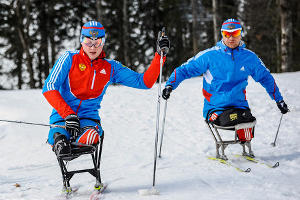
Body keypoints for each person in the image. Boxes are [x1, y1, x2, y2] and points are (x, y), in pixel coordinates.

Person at [42, 20, 170, 156]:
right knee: (58, 134)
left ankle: (80, 141)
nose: (92, 47)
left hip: (88, 119)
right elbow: (49, 87)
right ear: (81, 41)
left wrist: (159, 56)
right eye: (88, 42)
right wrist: (68, 114)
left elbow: (144, 82)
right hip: (62, 117)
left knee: (91, 134)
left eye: (97, 43)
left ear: (103, 43)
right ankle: (61, 141)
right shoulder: (68, 59)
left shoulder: (111, 67)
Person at [162, 18, 288, 144]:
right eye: (227, 34)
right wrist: (170, 86)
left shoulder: (249, 57)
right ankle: (224, 146)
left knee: (248, 122)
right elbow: (184, 70)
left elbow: (265, 77)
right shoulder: (209, 56)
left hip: (239, 105)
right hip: (216, 107)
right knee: (230, 120)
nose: (231, 38)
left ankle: (246, 146)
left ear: (240, 34)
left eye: (235, 34)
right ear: (222, 34)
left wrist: (279, 99)